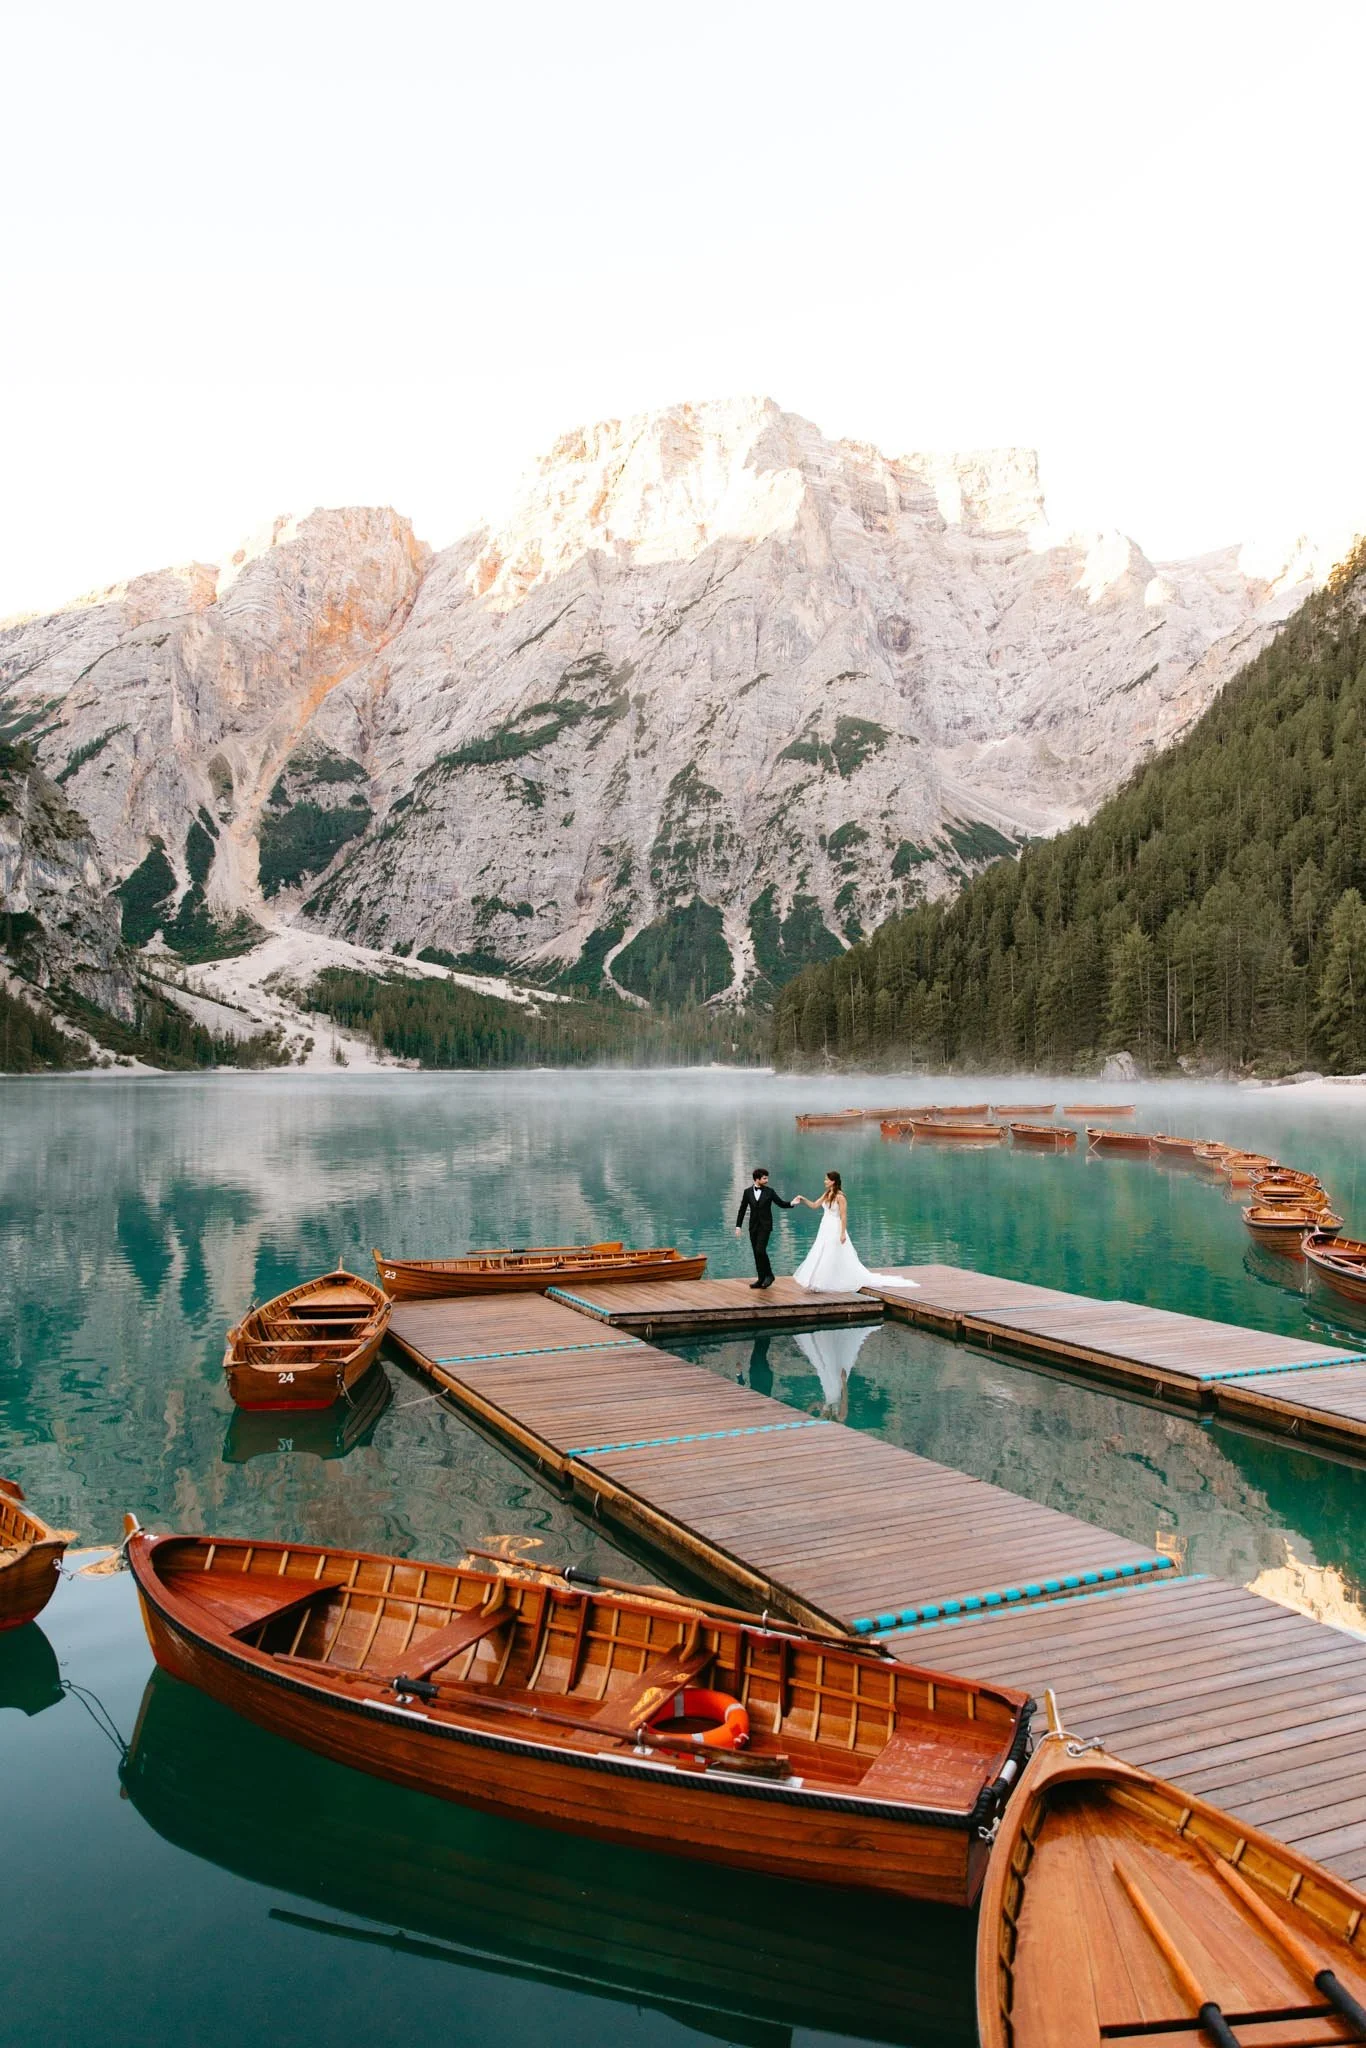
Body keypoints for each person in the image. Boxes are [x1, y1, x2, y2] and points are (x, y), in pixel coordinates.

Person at [791, 1171, 921, 1294]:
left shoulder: (840, 1197)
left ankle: (828, 1281)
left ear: (833, 1181)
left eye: (827, 1179)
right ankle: (818, 1281)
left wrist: (842, 1233)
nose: (825, 1181)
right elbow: (814, 1205)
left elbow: (843, 1216)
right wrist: (802, 1199)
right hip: (825, 1227)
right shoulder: (827, 1194)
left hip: (835, 1228)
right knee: (821, 1251)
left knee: (831, 1252)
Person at [734, 1167, 793, 1289]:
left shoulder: (770, 1192)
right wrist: (738, 1226)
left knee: (760, 1250)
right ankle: (761, 1279)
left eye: (767, 1178)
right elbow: (742, 1209)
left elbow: (781, 1203)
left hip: (765, 1226)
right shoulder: (747, 1192)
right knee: (756, 1253)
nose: (767, 1180)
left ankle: (769, 1275)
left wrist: (792, 1203)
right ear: (757, 1179)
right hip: (753, 1227)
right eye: (764, 1178)